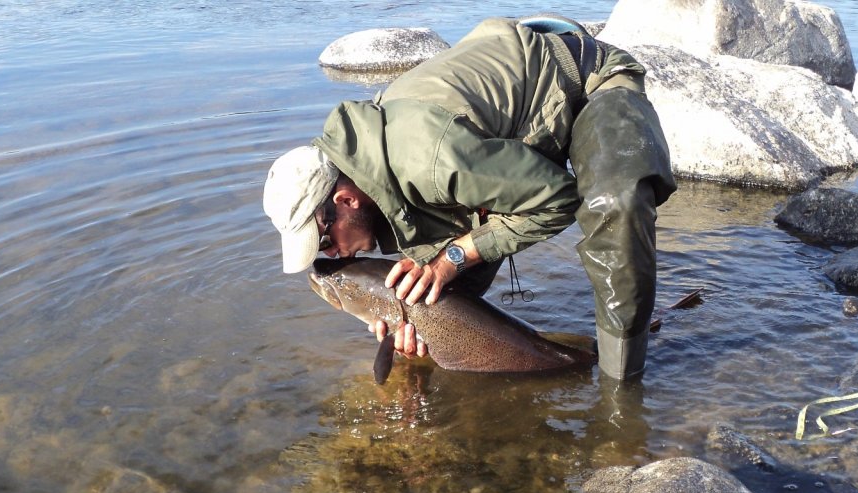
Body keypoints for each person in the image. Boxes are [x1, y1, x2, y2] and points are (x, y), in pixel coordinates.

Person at [263, 16, 676, 380]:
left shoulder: (429, 159)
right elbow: (438, 265)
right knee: (434, 277)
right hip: (513, 136)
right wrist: (422, 312)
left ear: (346, 199)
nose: (331, 253)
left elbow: (560, 200)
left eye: (323, 239)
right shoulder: (373, 172)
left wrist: (454, 257)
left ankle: (622, 384)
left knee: (615, 206)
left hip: (587, 81)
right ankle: (565, 357)